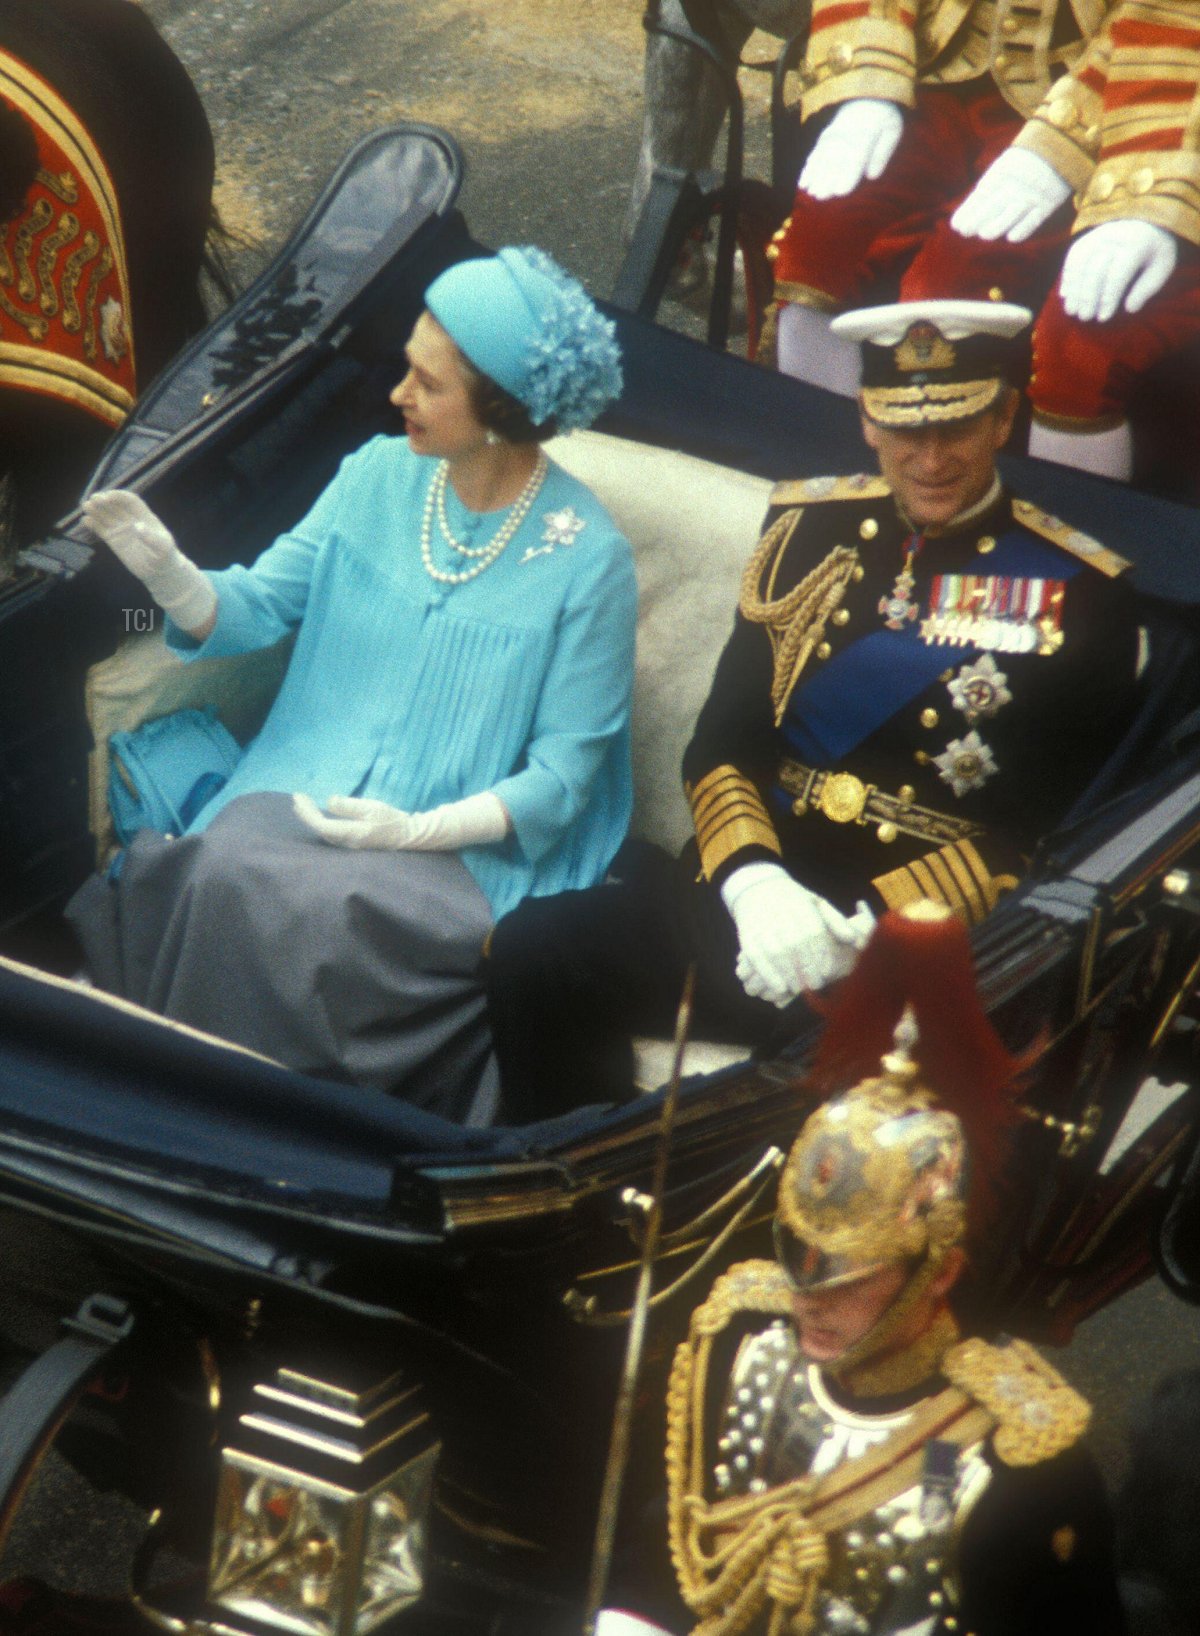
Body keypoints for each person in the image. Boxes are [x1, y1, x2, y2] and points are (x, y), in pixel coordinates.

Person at [486, 299, 1143, 1118]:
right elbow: (724, 742)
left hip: (901, 940)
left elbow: (1031, 835)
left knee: (835, 1091)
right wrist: (753, 885)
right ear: (868, 421)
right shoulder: (809, 530)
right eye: (905, 431)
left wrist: (857, 930)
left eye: (957, 429)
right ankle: (557, 1192)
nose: (930, 458)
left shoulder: (1081, 596)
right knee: (533, 950)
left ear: (1004, 417)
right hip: (759, 893)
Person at [67, 246, 636, 1124]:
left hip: (464, 848)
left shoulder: (589, 560)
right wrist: (170, 572)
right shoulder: (375, 474)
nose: (399, 394)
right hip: (308, 781)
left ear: (502, 411)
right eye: (407, 368)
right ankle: (176, 1107)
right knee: (216, 869)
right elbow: (259, 605)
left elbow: (565, 780)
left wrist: (419, 829)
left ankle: (297, 1132)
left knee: (329, 917)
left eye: (427, 382)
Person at [624, 903, 1126, 1636]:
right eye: (799, 1264)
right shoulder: (733, 1345)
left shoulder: (1025, 1469)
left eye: (849, 1281)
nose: (806, 1304)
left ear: (940, 1274)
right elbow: (663, 1557)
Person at [761, 0, 1115, 393]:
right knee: (820, 238)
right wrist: (869, 80)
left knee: (956, 275)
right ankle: (813, 433)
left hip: (1076, 93)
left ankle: (945, 447)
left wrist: (1066, 142)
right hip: (927, 73)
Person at [951, 0, 1200, 481]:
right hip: (1166, 130)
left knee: (1084, 347)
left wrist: (1167, 199)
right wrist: (1055, 143)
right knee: (959, 282)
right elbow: (1157, 21)